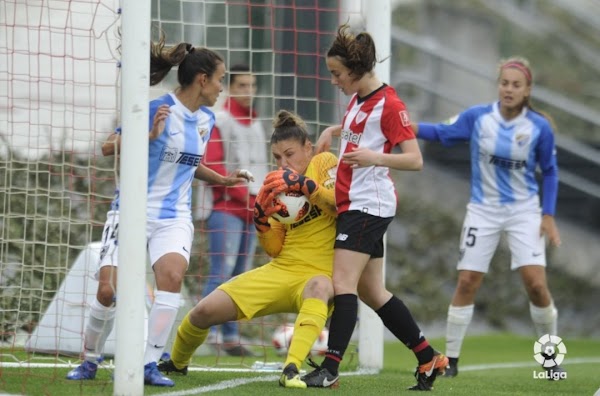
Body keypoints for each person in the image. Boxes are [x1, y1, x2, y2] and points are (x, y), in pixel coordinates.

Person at [66, 37, 251, 387]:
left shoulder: (205, 119)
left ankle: (150, 362)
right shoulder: (156, 108)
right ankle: (89, 360)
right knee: (108, 292)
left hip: (173, 217)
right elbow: (107, 147)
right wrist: (147, 136)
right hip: (130, 212)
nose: (221, 88)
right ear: (201, 80)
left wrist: (222, 179)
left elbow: (189, 163)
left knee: (171, 278)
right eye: (219, 80)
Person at [301, 24, 449, 391]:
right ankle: (428, 358)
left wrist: (374, 157)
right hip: (356, 201)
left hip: (368, 205)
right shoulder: (358, 98)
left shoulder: (391, 104)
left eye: (336, 74)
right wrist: (332, 131)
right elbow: (360, 129)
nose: (334, 80)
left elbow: (414, 160)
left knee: (343, 283)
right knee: (371, 292)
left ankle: (330, 367)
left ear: (354, 70)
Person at [157, 109, 339, 389]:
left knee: (318, 287)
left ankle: (291, 369)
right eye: (277, 157)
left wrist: (307, 186)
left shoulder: (324, 162)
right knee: (203, 312)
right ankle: (176, 363)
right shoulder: (276, 185)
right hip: (282, 271)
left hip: (320, 275)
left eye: (289, 154)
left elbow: (340, 206)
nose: (283, 163)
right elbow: (275, 250)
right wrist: (262, 221)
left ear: (308, 148)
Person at [411, 56, 562, 378]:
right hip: (483, 209)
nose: (509, 89)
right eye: (504, 83)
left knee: (536, 285)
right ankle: (451, 361)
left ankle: (550, 358)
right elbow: (440, 132)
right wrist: (405, 126)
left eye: (516, 85)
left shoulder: (539, 128)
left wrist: (547, 215)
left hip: (524, 211)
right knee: (467, 281)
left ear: (527, 90)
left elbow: (549, 172)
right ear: (499, 86)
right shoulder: (478, 118)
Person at [200, 64, 269, 356]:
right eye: (242, 85)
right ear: (229, 87)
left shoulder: (256, 123)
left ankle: (230, 336)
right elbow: (214, 167)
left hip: (253, 210)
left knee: (241, 275)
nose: (248, 91)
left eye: (252, 85)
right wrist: (246, 197)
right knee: (221, 273)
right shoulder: (221, 119)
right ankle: (204, 333)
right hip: (226, 207)